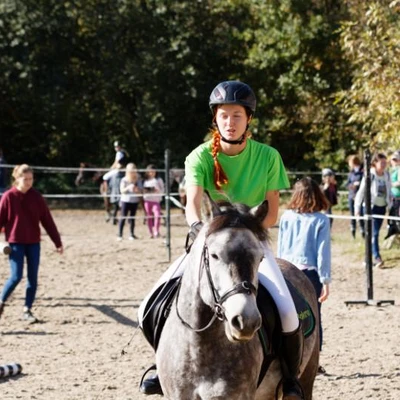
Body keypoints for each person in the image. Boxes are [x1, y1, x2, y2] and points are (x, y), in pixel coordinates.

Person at [138, 81, 304, 399]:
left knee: (287, 310)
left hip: (251, 244)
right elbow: (192, 204)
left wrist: (248, 230)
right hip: (209, 242)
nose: (230, 121)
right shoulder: (199, 156)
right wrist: (200, 231)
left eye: (237, 115)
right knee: (149, 306)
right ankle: (161, 367)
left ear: (248, 120)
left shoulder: (268, 156)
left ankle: (290, 378)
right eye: (224, 115)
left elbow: (270, 213)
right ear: (216, 119)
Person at [277, 177, 331, 374]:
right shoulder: (321, 220)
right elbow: (322, 253)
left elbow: (281, 247)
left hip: (286, 271)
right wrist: (325, 280)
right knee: (313, 317)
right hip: (309, 274)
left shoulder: (286, 217)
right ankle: (312, 361)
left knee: (286, 315)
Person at [0, 164, 63, 323]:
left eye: (31, 179)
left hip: (34, 242)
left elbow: (47, 221)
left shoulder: (36, 197)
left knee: (32, 278)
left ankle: (27, 309)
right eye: (25, 179)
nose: (28, 182)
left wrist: (57, 242)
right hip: (15, 243)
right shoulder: (8, 197)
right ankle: (1, 301)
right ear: (17, 178)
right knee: (16, 276)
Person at [354, 153, 391, 268]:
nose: (384, 164)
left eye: (385, 162)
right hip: (370, 208)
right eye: (382, 162)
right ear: (375, 162)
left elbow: (388, 191)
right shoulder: (370, 175)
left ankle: (367, 259)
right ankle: (377, 257)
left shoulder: (386, 175)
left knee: (373, 234)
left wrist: (389, 205)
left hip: (382, 207)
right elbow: (361, 192)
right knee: (374, 233)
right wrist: (357, 208)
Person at [118, 163, 142, 241]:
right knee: (123, 217)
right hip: (125, 201)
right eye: (130, 171)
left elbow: (140, 192)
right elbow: (122, 191)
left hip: (134, 201)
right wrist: (128, 187)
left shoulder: (138, 180)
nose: (132, 172)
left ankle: (131, 234)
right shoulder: (124, 180)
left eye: (133, 171)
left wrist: (136, 190)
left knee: (132, 218)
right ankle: (120, 235)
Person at [143, 164, 164, 239]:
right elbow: (143, 190)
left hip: (156, 201)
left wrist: (158, 191)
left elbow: (163, 190)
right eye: (150, 172)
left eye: (153, 172)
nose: (152, 173)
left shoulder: (159, 180)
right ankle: (150, 232)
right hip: (147, 200)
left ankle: (156, 231)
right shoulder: (145, 181)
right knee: (149, 216)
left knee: (157, 215)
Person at [346, 155, 365, 238]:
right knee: (352, 214)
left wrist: (359, 184)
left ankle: (362, 230)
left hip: (360, 196)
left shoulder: (362, 172)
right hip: (352, 195)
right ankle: (353, 230)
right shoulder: (351, 173)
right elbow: (347, 184)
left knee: (360, 213)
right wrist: (351, 185)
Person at [386, 150, 400, 238]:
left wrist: (390, 184)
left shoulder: (399, 170)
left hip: (397, 195)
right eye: (393, 160)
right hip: (391, 196)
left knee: (396, 214)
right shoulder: (390, 170)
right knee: (391, 214)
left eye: (396, 160)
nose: (394, 162)